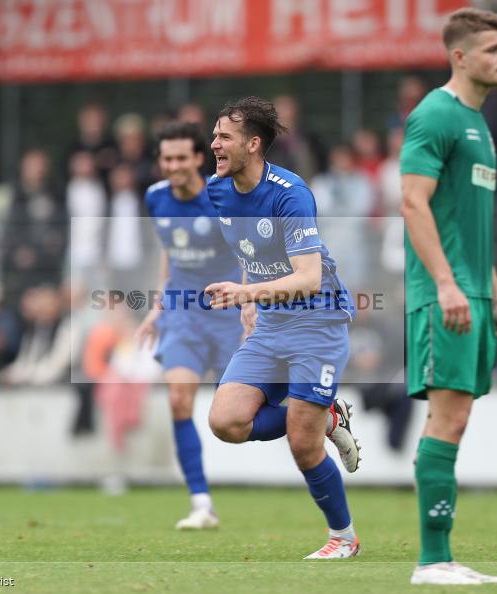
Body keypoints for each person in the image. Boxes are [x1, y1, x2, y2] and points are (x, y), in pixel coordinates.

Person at [204, 97, 361, 560]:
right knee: (226, 421)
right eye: (214, 135)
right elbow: (249, 245)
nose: (214, 144)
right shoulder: (218, 189)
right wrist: (251, 298)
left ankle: (344, 538)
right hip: (272, 321)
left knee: (301, 440)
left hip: (319, 321)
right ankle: (325, 414)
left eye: (224, 136)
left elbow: (310, 278)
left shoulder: (290, 192)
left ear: (253, 144)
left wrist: (246, 293)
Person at [399, 8, 497, 585]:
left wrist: (494, 297)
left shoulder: (478, 124)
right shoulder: (435, 116)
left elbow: (472, 225)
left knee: (458, 417)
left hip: (471, 294)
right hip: (441, 294)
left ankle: (441, 557)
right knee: (446, 419)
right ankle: (432, 560)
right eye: (494, 48)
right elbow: (413, 204)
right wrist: (446, 284)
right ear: (461, 57)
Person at [134, 121, 245, 530]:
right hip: (182, 312)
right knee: (179, 400)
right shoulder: (155, 198)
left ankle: (326, 420)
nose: (174, 165)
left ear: (199, 159)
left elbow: (250, 254)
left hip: (229, 312)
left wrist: (250, 303)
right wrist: (157, 306)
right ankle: (201, 504)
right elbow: (170, 252)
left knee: (252, 408)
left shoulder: (224, 198)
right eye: (167, 158)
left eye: (182, 157)